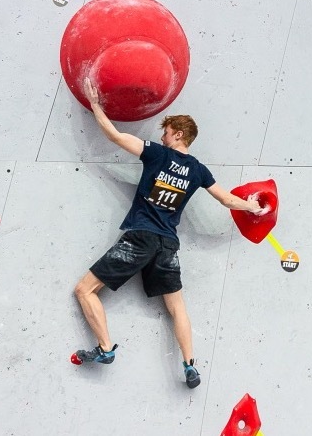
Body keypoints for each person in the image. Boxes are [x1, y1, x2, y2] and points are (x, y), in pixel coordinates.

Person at [72, 77, 267, 389]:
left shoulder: (157, 154)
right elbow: (226, 199)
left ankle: (105, 348)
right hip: (167, 245)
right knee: (178, 309)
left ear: (178, 134)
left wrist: (95, 104)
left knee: (85, 290)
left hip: (140, 238)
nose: (161, 137)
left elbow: (115, 136)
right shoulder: (198, 170)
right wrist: (252, 207)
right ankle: (189, 365)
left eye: (165, 132)